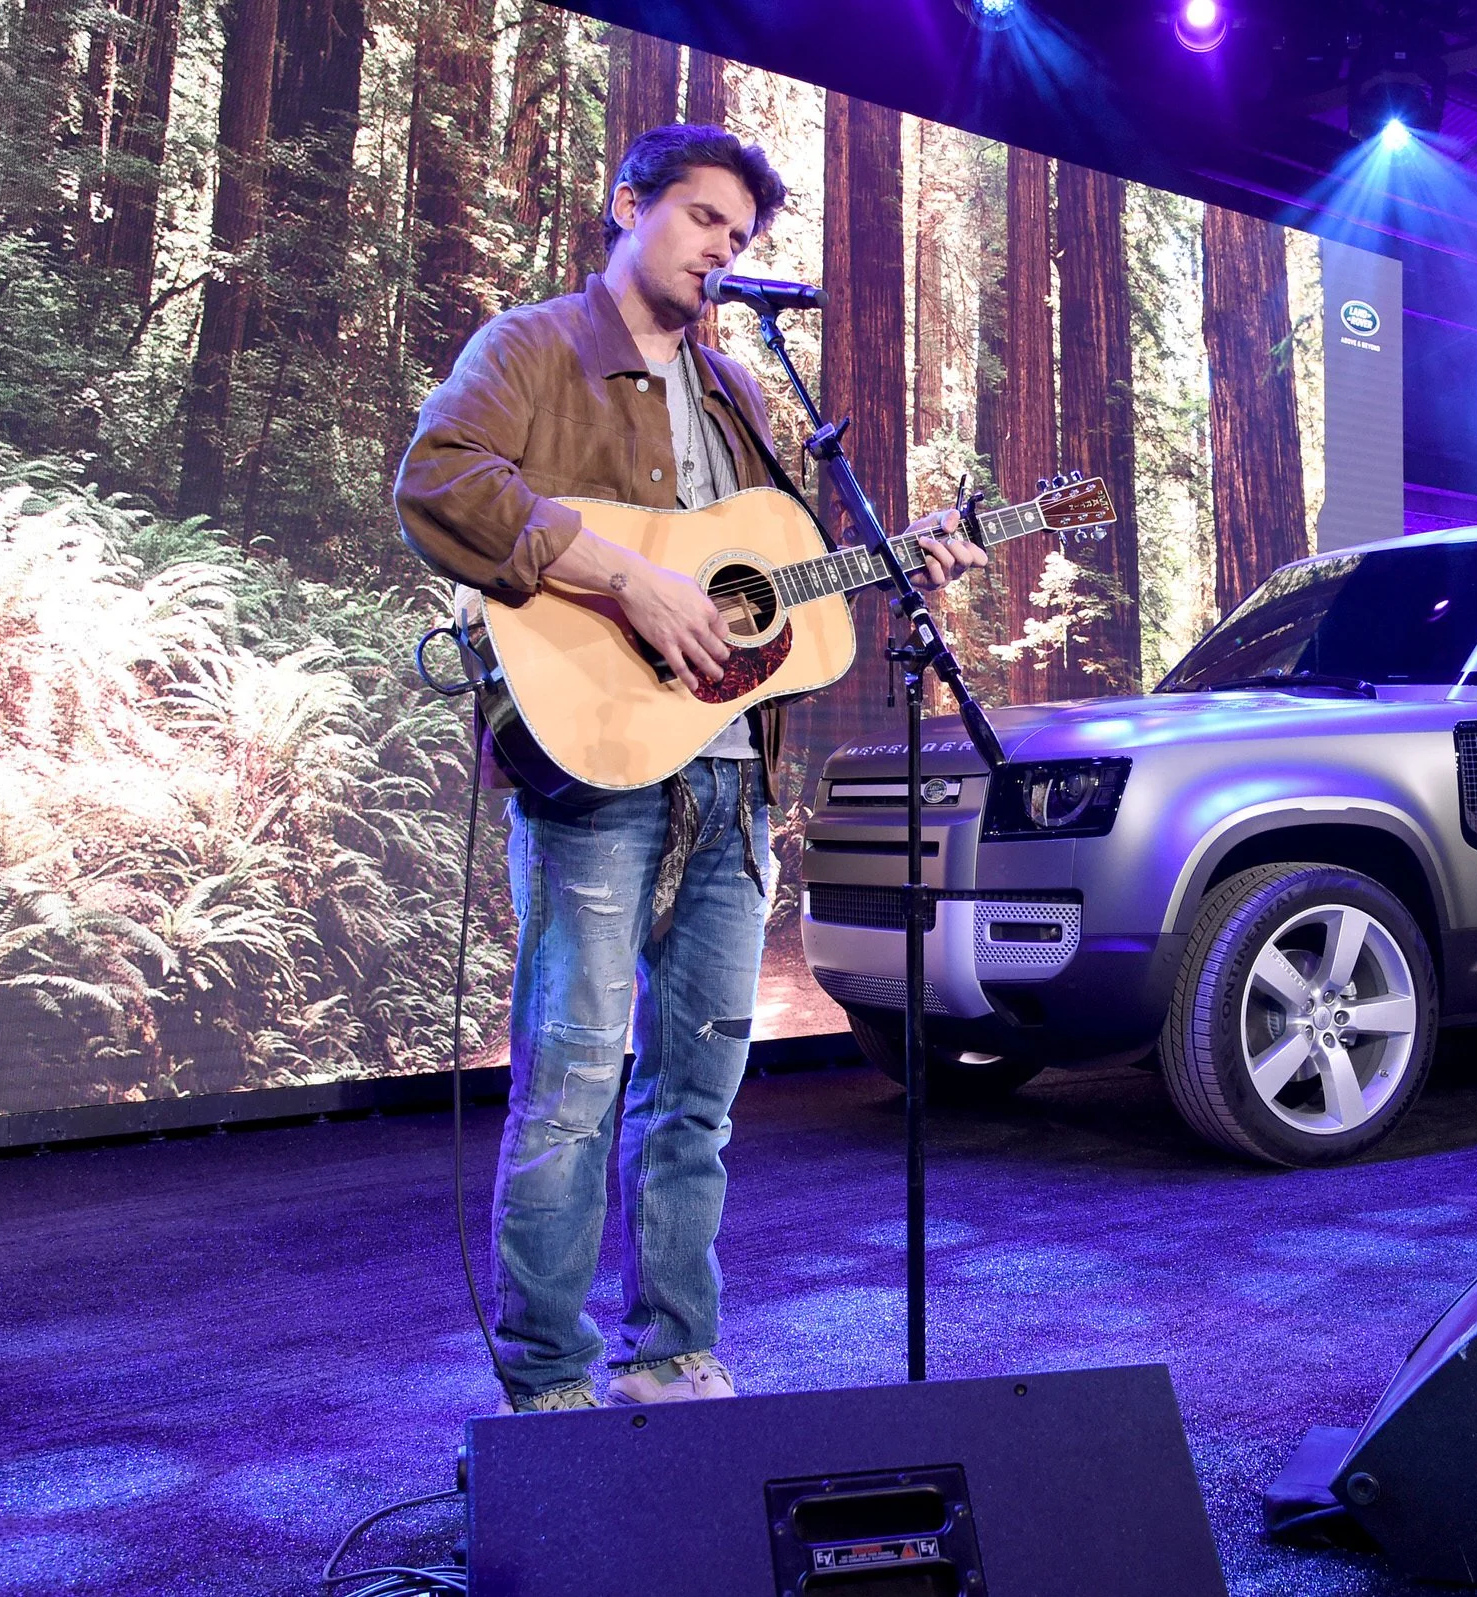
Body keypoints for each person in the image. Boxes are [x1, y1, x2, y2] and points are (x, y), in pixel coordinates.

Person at [393, 124, 986, 1412]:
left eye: (742, 233)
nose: (724, 246)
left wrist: (900, 566)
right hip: (594, 770)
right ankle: (550, 1377)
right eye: (705, 217)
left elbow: (769, 587)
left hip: (730, 779)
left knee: (699, 1091)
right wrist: (626, 578)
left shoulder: (738, 391)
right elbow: (438, 482)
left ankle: (672, 1353)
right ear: (631, 206)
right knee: (572, 1079)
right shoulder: (536, 348)